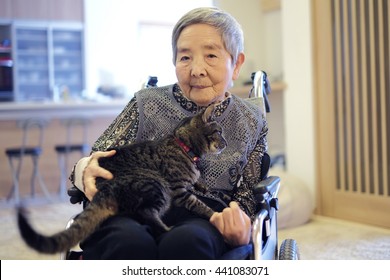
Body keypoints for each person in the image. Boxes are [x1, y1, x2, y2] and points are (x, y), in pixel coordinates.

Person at [69, 6, 268, 260]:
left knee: (187, 244)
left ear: (236, 63)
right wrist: (84, 169)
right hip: (129, 205)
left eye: (211, 56)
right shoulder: (146, 103)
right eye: (185, 57)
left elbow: (248, 195)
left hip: (202, 216)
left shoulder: (252, 121)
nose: (196, 69)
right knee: (127, 242)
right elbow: (96, 160)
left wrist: (241, 226)